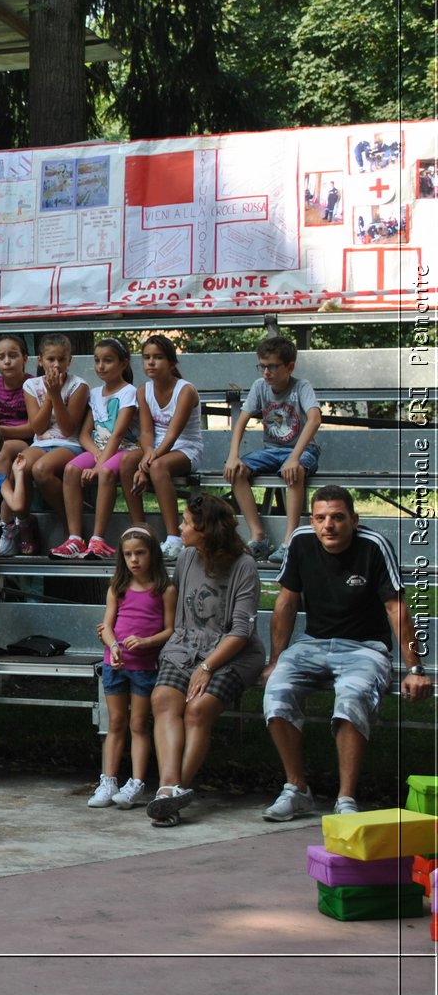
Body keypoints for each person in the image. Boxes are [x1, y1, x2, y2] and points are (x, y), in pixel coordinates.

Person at [259, 486, 431, 820]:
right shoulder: (300, 541)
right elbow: (286, 601)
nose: (329, 526)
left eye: (338, 517)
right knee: (276, 692)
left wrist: (414, 668)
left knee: (351, 699)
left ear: (354, 519)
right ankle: (297, 789)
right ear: (312, 519)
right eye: (321, 518)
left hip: (365, 648)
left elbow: (397, 609)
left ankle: (346, 800)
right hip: (313, 643)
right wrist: (276, 659)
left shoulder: (374, 546)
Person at [145, 494, 265, 826]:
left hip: (231, 652)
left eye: (186, 522)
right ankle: (167, 790)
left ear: (206, 530)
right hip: (186, 646)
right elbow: (177, 609)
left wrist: (207, 666)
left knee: (197, 709)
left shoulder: (244, 566)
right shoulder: (186, 557)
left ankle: (176, 790)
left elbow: (240, 631)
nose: (180, 527)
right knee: (163, 699)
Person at [88, 526, 175, 809]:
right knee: (115, 723)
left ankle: (136, 782)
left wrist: (148, 641)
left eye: (140, 553)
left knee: (138, 724)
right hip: (115, 663)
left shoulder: (164, 589)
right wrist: (113, 646)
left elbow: (171, 629)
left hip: (144, 666)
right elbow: (108, 626)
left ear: (153, 554)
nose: (134, 560)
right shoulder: (118, 587)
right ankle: (108, 780)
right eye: (128, 554)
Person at [224, 335, 321, 562]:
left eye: (272, 367)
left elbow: (315, 419)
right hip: (272, 450)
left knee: (293, 471)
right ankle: (258, 536)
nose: (266, 372)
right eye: (262, 366)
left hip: (302, 451)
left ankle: (290, 541)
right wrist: (233, 456)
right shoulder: (260, 387)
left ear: (290, 367)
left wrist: (295, 457)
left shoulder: (302, 386)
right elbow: (242, 421)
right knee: (235, 471)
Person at [52, 338, 138, 560]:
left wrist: (99, 464)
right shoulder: (95, 393)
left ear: (123, 364)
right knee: (71, 470)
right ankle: (75, 539)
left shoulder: (129, 392)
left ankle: (98, 540)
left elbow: (118, 434)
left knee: (107, 472)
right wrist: (97, 455)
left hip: (123, 450)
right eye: (97, 361)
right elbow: (84, 434)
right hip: (101, 450)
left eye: (108, 361)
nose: (101, 366)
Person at [121, 335, 203, 559]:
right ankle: (140, 531)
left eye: (158, 357)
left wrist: (147, 465)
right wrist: (147, 455)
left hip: (186, 448)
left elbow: (174, 433)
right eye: (146, 357)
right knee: (127, 461)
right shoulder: (143, 390)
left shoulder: (185, 390)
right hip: (155, 448)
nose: (151, 362)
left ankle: (174, 538)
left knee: (157, 467)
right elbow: (147, 433)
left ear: (171, 363)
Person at [10, 333, 87, 540]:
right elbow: (37, 426)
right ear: (40, 360)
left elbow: (68, 429)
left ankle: (69, 522)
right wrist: (50, 396)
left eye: (62, 359)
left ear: (69, 360)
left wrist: (56, 395)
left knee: (41, 470)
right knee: (21, 466)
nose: (56, 365)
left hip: (68, 444)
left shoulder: (78, 386)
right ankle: (24, 523)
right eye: (51, 359)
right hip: (41, 442)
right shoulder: (31, 386)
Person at [0, 334, 35, 555]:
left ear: (25, 358)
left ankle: (4, 524)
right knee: (13, 474)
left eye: (13, 356)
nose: (7, 361)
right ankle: (22, 524)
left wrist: (3, 431)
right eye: (1, 357)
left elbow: (33, 427)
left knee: (4, 453)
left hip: (28, 442)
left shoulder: (32, 384)